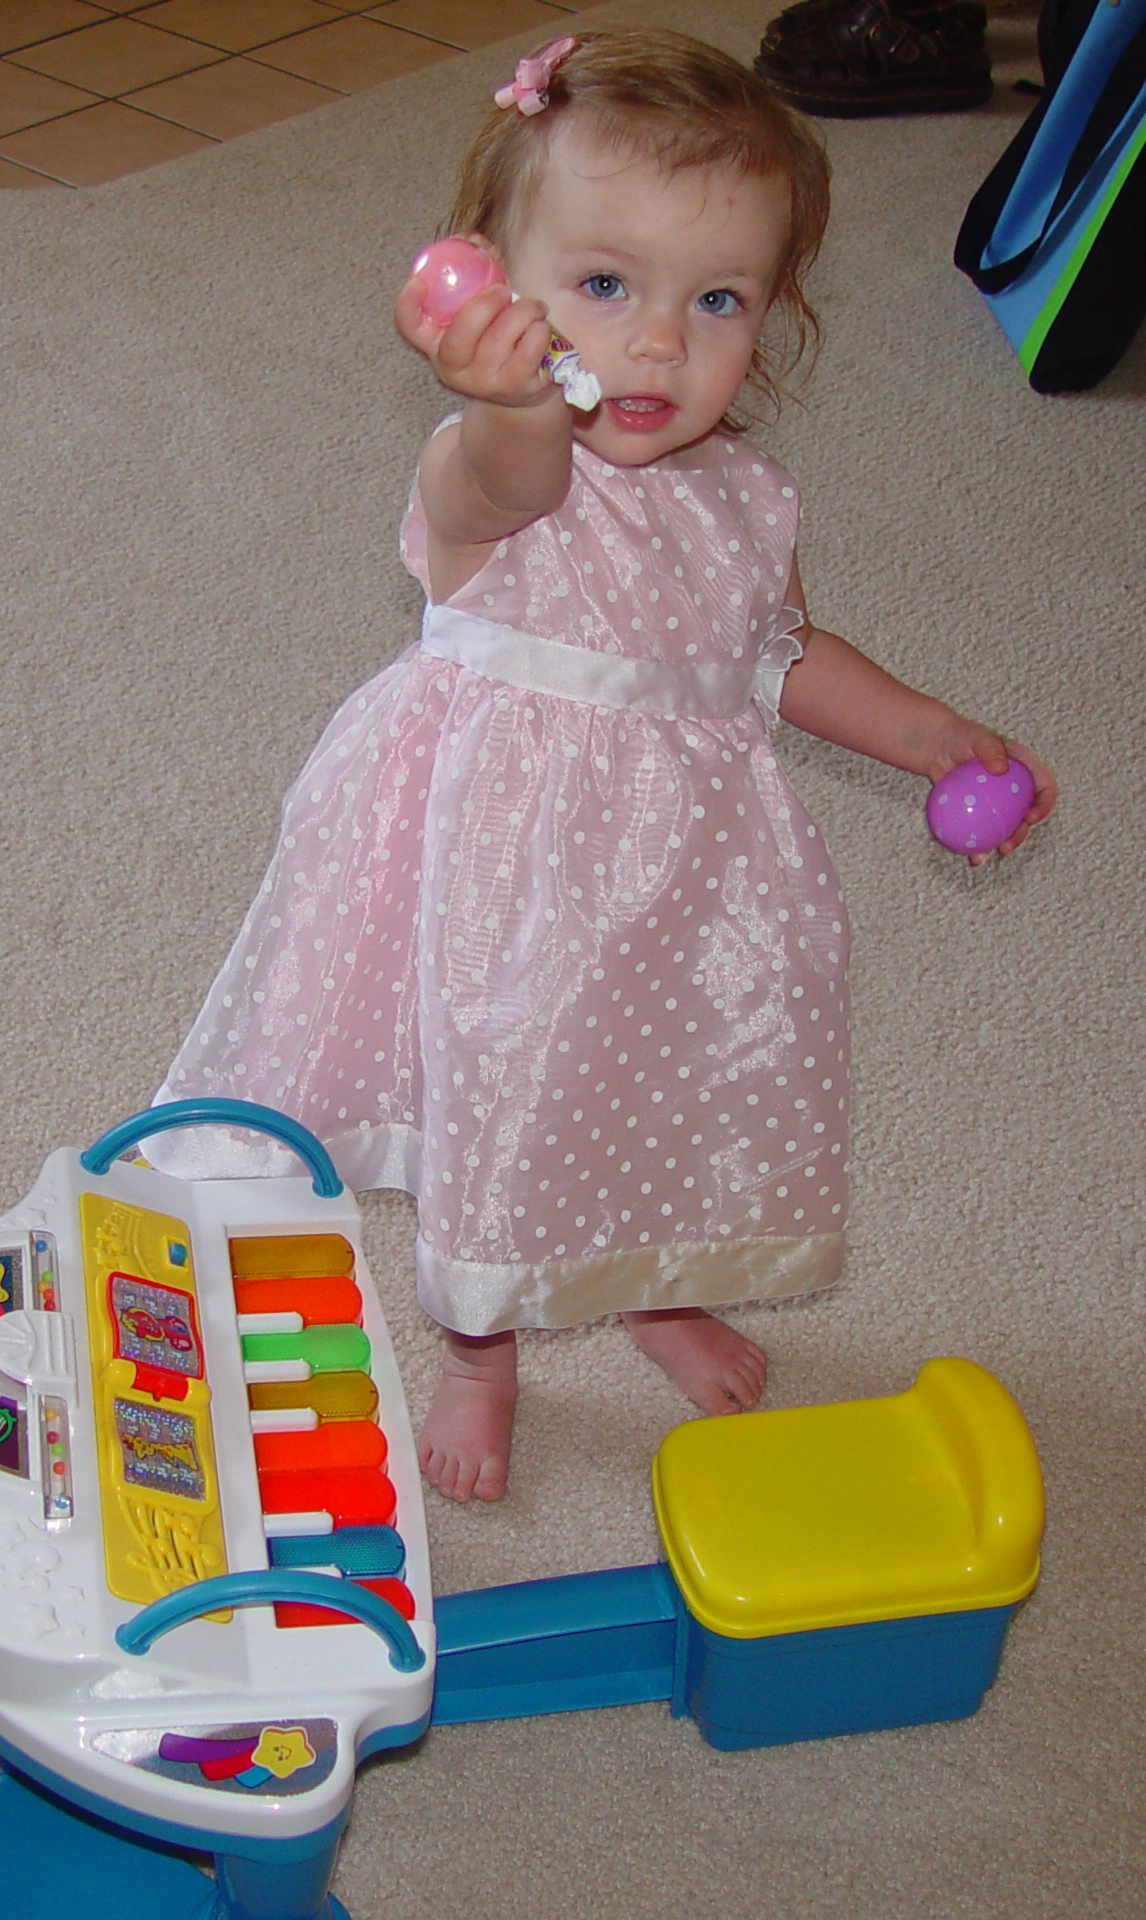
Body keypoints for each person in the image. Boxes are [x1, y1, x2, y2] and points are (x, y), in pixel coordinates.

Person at [154, 29, 1055, 1502]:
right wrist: (506, 400)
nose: (656, 343)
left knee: (651, 1086)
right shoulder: (494, 464)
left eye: (715, 301)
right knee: (493, 1096)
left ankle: (646, 1285)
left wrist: (933, 734)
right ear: (499, 289)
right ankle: (481, 1352)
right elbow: (504, 478)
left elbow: (772, 657)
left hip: (678, 879)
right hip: (499, 875)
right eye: (603, 286)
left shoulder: (747, 498)